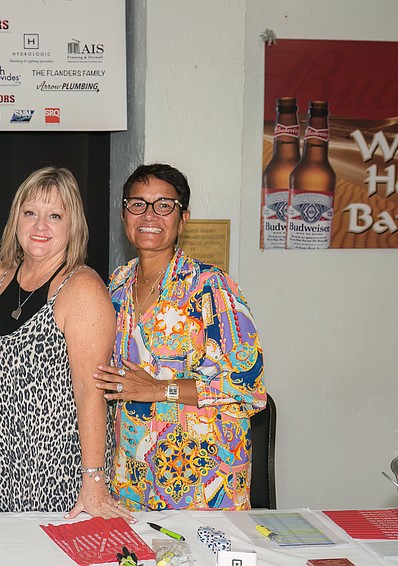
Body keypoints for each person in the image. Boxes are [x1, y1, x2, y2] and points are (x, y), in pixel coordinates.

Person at [94, 163, 265, 511]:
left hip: (201, 484)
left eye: (164, 205)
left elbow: (248, 388)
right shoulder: (116, 286)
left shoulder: (212, 287)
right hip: (133, 478)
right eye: (137, 204)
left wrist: (157, 389)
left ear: (183, 218)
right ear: (125, 214)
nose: (149, 215)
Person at [0, 166, 133, 521]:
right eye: (30, 213)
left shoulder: (81, 288)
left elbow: (91, 391)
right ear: (16, 219)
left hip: (56, 468)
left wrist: (93, 479)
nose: (40, 226)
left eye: (55, 216)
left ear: (72, 225)